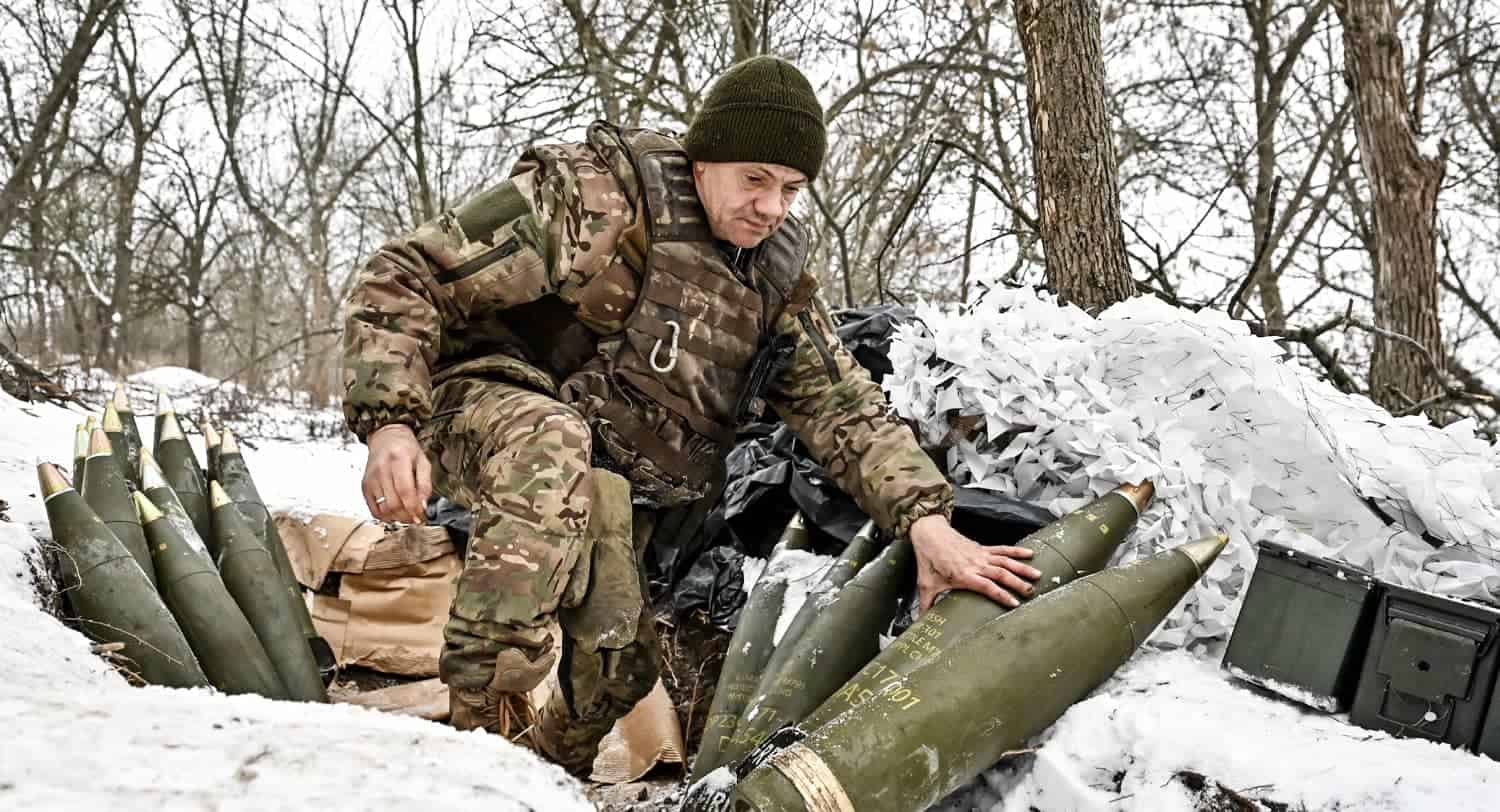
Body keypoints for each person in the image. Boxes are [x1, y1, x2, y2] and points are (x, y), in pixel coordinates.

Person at [341, 54, 1041, 775]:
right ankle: (472, 760)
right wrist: (389, 420)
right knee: (549, 442)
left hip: (603, 476)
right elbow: (407, 273)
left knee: (620, 662)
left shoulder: (774, 280)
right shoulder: (595, 199)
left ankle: (547, 775)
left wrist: (927, 521)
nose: (771, 207)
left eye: (792, 189)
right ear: (704, 161)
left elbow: (845, 408)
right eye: (755, 179)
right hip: (485, 405)